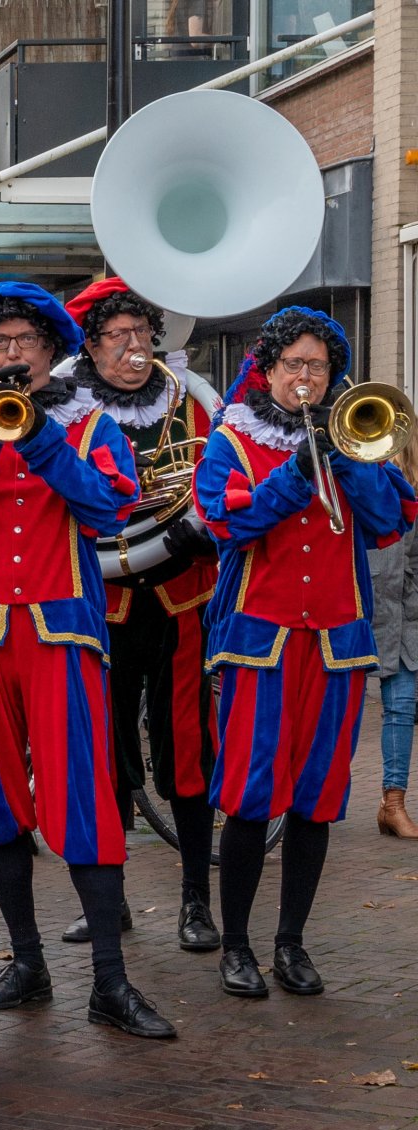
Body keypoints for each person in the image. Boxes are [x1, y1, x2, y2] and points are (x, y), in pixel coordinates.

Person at [0, 281, 171, 1039]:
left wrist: (38, 440)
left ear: (53, 353)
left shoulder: (90, 424)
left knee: (85, 798)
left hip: (61, 628)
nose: (14, 356)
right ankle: (26, 963)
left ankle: (110, 983)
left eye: (27, 343)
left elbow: (106, 508)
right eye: (0, 345)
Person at [195, 307, 416, 998]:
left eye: (318, 367)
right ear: (267, 368)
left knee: (320, 798)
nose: (306, 378)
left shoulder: (355, 443)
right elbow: (227, 520)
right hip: (262, 642)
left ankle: (291, 942)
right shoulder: (233, 437)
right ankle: (236, 945)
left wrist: (347, 461)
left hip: (338, 643)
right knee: (251, 795)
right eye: (294, 364)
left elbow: (388, 524)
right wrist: (296, 468)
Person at [58, 278, 222, 951]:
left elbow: (217, 478)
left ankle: (195, 901)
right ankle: (111, 900)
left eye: (142, 333)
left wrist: (201, 523)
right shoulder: (67, 415)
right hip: (107, 602)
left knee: (189, 750)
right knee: (107, 751)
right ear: (91, 347)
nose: (134, 346)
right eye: (118, 335)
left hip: (183, 592)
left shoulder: (192, 405)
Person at [370, 467, 418, 840]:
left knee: (401, 707)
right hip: (357, 610)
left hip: (403, 614)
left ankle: (394, 803)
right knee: (337, 712)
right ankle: (307, 801)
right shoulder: (352, 475)